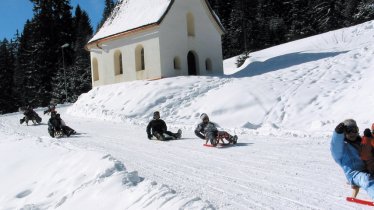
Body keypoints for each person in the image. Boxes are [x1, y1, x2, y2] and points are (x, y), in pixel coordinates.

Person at [330, 119, 374, 200]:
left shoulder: (361, 142)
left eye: (355, 130)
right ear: (344, 132)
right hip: (354, 174)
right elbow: (335, 146)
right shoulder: (342, 147)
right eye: (349, 131)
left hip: (367, 168)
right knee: (367, 179)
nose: (352, 133)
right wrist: (338, 133)